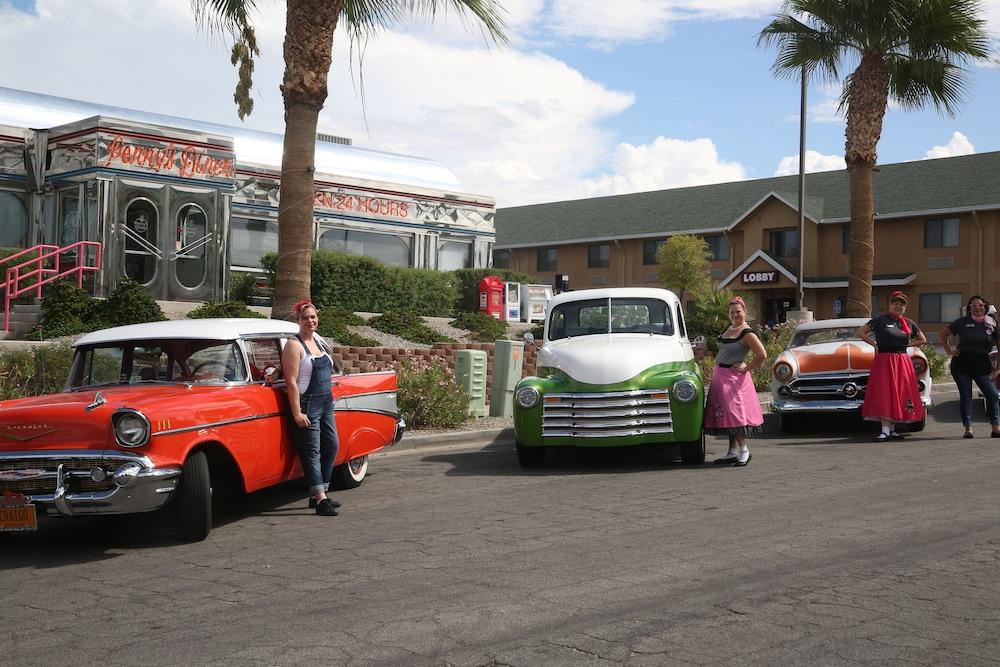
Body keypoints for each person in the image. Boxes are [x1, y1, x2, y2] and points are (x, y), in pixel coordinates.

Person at [281, 300, 341, 516]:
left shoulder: (317, 342)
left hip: (326, 402)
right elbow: (291, 382)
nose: (310, 321)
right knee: (312, 451)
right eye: (305, 317)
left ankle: (320, 491)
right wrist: (297, 412)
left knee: (332, 445)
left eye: (313, 317)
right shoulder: (294, 345)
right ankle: (320, 500)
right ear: (298, 320)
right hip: (308, 404)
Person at [855, 291, 927, 441]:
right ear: (890, 305)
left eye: (901, 305)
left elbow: (922, 339)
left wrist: (908, 344)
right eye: (896, 304)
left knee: (898, 393)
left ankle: (892, 429)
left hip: (902, 360)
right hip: (884, 360)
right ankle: (885, 430)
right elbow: (861, 332)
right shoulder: (880, 320)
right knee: (885, 393)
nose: (898, 307)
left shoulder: (908, 323)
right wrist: (874, 344)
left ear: (905, 308)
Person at [706, 297, 767, 467]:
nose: (735, 315)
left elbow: (762, 355)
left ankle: (744, 451)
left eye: (738, 312)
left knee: (735, 415)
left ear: (745, 312)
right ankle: (732, 452)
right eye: (732, 312)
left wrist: (745, 368)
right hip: (720, 376)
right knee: (726, 415)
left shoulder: (746, 333)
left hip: (733, 378)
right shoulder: (730, 329)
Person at [937, 295, 1000, 439]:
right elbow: (943, 333)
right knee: (966, 396)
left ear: (985, 307)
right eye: (974, 305)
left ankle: (996, 427)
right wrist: (949, 351)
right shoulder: (962, 322)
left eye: (980, 305)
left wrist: (997, 369)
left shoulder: (992, 323)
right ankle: (968, 428)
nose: (977, 308)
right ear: (969, 308)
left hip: (983, 365)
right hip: (962, 365)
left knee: (992, 395)